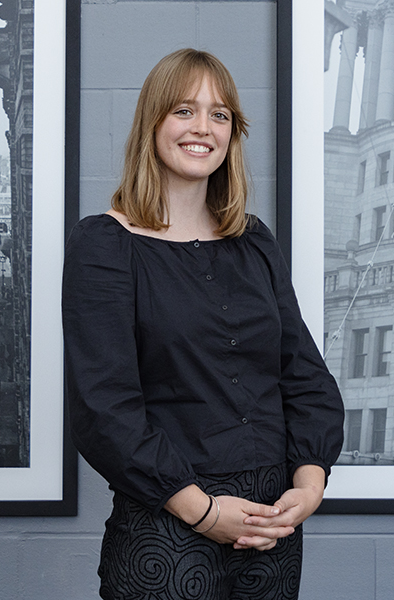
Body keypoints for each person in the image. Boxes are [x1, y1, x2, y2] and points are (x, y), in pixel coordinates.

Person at [62, 48, 344, 600]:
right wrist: (205, 511)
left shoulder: (255, 241)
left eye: (220, 115)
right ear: (153, 121)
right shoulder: (104, 245)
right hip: (167, 530)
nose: (203, 128)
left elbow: (303, 372)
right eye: (184, 110)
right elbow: (104, 407)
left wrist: (309, 486)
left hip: (272, 529)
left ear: (232, 133)